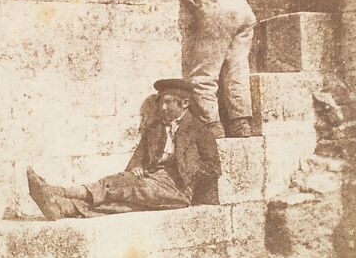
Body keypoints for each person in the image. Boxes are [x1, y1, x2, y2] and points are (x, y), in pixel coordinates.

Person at [27, 79, 221, 220]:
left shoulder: (200, 131)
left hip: (179, 188)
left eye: (168, 102)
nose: (162, 107)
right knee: (124, 195)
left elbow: (214, 168)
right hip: (151, 179)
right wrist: (135, 167)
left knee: (132, 188)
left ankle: (58, 191)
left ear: (185, 103)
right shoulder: (155, 129)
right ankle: (62, 207)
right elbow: (139, 156)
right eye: (161, 102)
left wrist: (189, 169)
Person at [147, 0, 256, 138]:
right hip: (242, 9)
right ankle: (241, 124)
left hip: (216, 9)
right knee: (236, 70)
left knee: (202, 73)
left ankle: (212, 127)